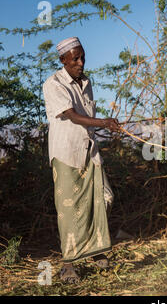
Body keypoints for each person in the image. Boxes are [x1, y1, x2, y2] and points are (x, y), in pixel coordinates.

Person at [43, 37, 121, 283]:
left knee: (103, 197)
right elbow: (72, 116)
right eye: (75, 58)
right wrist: (104, 123)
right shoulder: (53, 84)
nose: (81, 63)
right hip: (66, 153)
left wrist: (103, 126)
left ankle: (96, 251)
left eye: (82, 57)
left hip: (89, 150)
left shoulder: (86, 82)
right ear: (63, 60)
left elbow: (85, 118)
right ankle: (68, 265)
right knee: (69, 210)